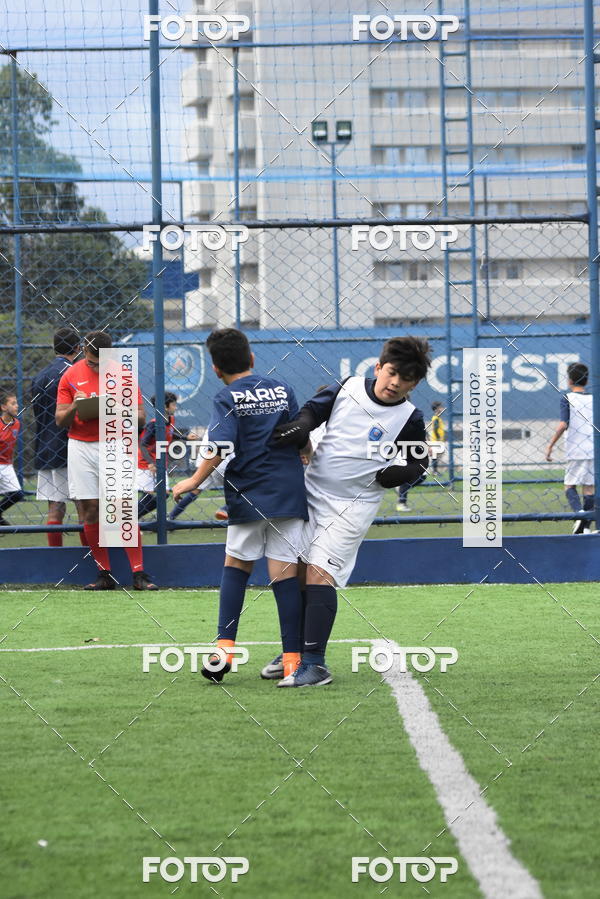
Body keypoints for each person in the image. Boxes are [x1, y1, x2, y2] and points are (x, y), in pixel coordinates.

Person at [271, 336, 432, 687]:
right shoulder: (348, 387)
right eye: (391, 373)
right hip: (310, 492)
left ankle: (315, 665)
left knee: (319, 573)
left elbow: (420, 462)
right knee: (295, 571)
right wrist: (301, 427)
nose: (395, 383)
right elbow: (314, 411)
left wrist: (396, 474)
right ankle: (294, 652)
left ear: (415, 383)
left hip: (352, 506)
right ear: (378, 367)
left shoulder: (410, 417)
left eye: (406, 379)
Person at [172, 328, 308, 683]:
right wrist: (306, 456)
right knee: (285, 574)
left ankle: (224, 650)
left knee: (236, 566)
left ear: (216, 369)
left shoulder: (225, 397)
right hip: (289, 492)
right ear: (251, 359)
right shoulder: (282, 389)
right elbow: (300, 436)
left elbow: (219, 448)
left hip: (250, 493)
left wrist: (192, 481)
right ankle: (294, 661)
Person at [55, 330, 158, 590]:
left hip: (114, 444)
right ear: (83, 353)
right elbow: (60, 420)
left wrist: (113, 407)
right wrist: (77, 407)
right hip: (81, 446)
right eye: (90, 362)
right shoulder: (71, 375)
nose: (94, 366)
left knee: (122, 508)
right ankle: (105, 574)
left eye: (99, 363)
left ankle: (139, 573)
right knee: (90, 509)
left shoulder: (122, 374)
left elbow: (141, 418)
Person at [31, 328, 87, 547]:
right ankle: (90, 557)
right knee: (84, 505)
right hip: (71, 445)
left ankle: (55, 557)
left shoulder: (40, 375)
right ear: (78, 348)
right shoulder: (75, 373)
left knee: (55, 506)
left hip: (45, 445)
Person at [546, 361, 594, 534]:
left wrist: (550, 445)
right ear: (586, 381)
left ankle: (580, 514)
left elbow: (563, 424)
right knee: (589, 488)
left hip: (575, 449)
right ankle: (586, 526)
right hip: (593, 449)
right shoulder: (593, 399)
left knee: (569, 485)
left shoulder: (567, 398)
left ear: (569, 381)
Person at [137, 391, 178, 520]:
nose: (175, 407)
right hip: (146, 463)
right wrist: (150, 463)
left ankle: (131, 518)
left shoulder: (170, 419)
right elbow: (143, 445)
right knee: (149, 495)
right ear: (165, 407)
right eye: (173, 404)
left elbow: (169, 433)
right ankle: (129, 520)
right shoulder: (153, 423)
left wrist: (185, 437)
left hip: (160, 462)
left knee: (164, 494)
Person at [0, 391, 25, 526]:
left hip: (6, 465)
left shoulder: (16, 423)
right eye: (13, 403)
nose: (17, 406)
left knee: (17, 494)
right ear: (4, 407)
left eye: (17, 403)